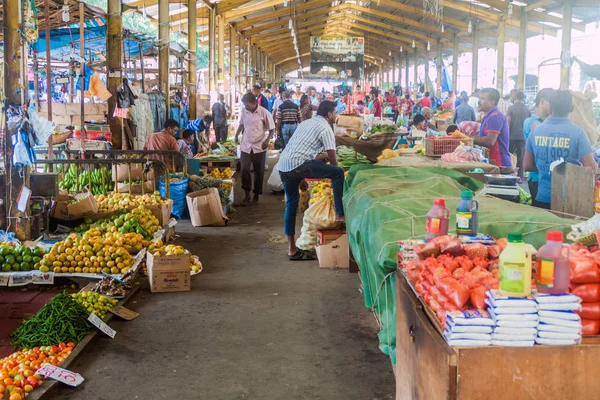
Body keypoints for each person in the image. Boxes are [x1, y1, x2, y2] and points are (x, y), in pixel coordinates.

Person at [278, 100, 345, 260]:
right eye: (335, 112)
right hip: (298, 165)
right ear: (329, 114)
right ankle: (340, 214)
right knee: (338, 172)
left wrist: (300, 178)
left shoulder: (306, 123)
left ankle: (292, 249)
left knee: (291, 207)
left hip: (284, 165)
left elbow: (300, 149)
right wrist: (333, 179)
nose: (336, 115)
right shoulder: (325, 128)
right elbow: (333, 160)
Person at [524, 90, 596, 209]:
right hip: (569, 199)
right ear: (571, 108)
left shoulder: (536, 130)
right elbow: (591, 168)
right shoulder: (578, 133)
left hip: (542, 198)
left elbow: (527, 165)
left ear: (550, 108)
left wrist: (547, 167)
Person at [235, 93, 276, 205]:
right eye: (244, 105)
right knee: (244, 169)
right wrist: (236, 135)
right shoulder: (244, 111)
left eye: (247, 105)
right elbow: (241, 124)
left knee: (259, 172)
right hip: (246, 145)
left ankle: (256, 195)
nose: (245, 107)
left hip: (259, 146)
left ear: (254, 103)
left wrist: (267, 141)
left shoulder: (264, 112)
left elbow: (272, 128)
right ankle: (247, 194)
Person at [522, 88, 553, 201]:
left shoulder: (549, 123)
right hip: (537, 178)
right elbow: (541, 131)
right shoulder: (530, 121)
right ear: (543, 101)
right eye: (552, 103)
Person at [473, 88, 511, 168]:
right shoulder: (488, 116)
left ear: (492, 102)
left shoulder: (495, 116)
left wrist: (468, 138)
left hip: (499, 164)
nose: (479, 101)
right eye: (479, 98)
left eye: (482, 99)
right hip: (492, 162)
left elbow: (490, 141)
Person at [506, 91, 531, 177]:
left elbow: (508, 122)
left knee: (509, 155)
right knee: (521, 157)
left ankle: (509, 173)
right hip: (523, 136)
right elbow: (529, 123)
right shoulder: (527, 109)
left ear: (515, 98)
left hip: (511, 136)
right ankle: (520, 176)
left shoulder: (511, 108)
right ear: (523, 99)